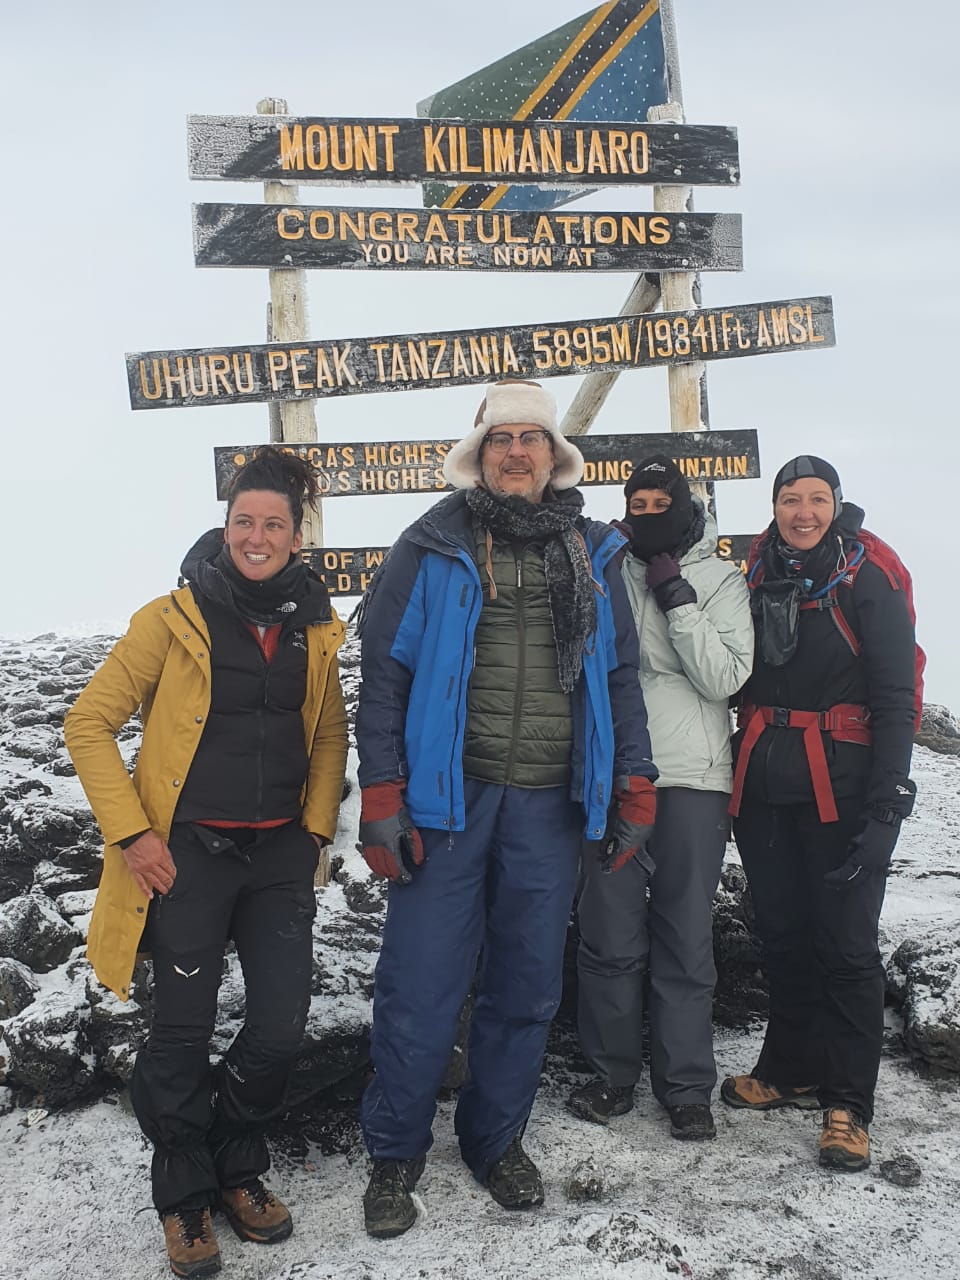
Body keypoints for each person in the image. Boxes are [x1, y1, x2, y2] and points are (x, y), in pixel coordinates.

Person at [353, 379, 657, 1239]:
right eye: (500, 440)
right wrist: (382, 791)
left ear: (555, 458)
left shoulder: (596, 553)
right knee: (420, 985)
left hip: (550, 807)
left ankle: (494, 1141)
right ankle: (395, 1152)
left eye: (532, 439)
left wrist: (635, 780)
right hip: (448, 803)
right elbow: (386, 676)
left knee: (525, 987)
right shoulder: (431, 545)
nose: (516, 452)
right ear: (479, 455)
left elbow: (621, 678)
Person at [64, 446, 348, 1277]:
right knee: (181, 1033)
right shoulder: (171, 617)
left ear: (298, 538)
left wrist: (315, 831)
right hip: (185, 858)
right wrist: (135, 835)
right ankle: (187, 1193)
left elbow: (328, 732)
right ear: (225, 529)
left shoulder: (315, 626)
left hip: (278, 860)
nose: (256, 537)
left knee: (279, 1027)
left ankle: (230, 1152)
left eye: (273, 525)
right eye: (242, 522)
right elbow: (89, 724)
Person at [722, 455, 917, 1172]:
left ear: (836, 504)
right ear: (773, 506)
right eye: (789, 499)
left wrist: (890, 800)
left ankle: (849, 1102)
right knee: (781, 935)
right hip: (765, 789)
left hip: (843, 787)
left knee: (845, 945)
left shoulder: (867, 580)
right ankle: (789, 1068)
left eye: (816, 499)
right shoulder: (752, 573)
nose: (803, 512)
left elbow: (897, 698)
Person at [567, 455, 753, 1141]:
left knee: (684, 938)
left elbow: (725, 676)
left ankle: (685, 1088)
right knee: (608, 937)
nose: (648, 514)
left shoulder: (719, 579)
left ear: (684, 505)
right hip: (611, 777)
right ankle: (612, 1076)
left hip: (694, 781)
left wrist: (677, 598)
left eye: (660, 503)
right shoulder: (604, 568)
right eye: (636, 504)